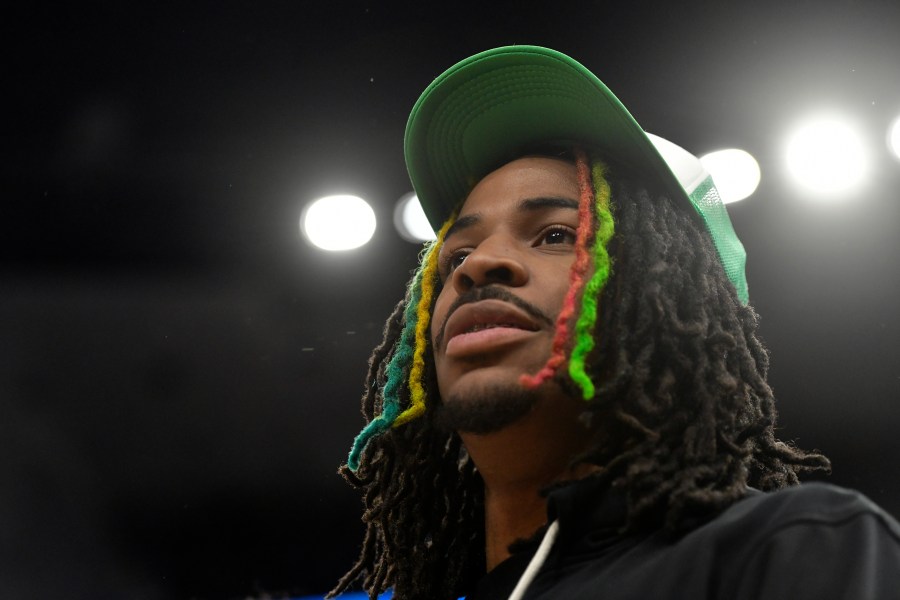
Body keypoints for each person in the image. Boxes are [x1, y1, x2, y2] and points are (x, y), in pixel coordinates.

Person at [328, 46, 900, 600]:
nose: (477, 266)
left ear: (670, 301)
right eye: (455, 255)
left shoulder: (790, 549)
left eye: (555, 235)